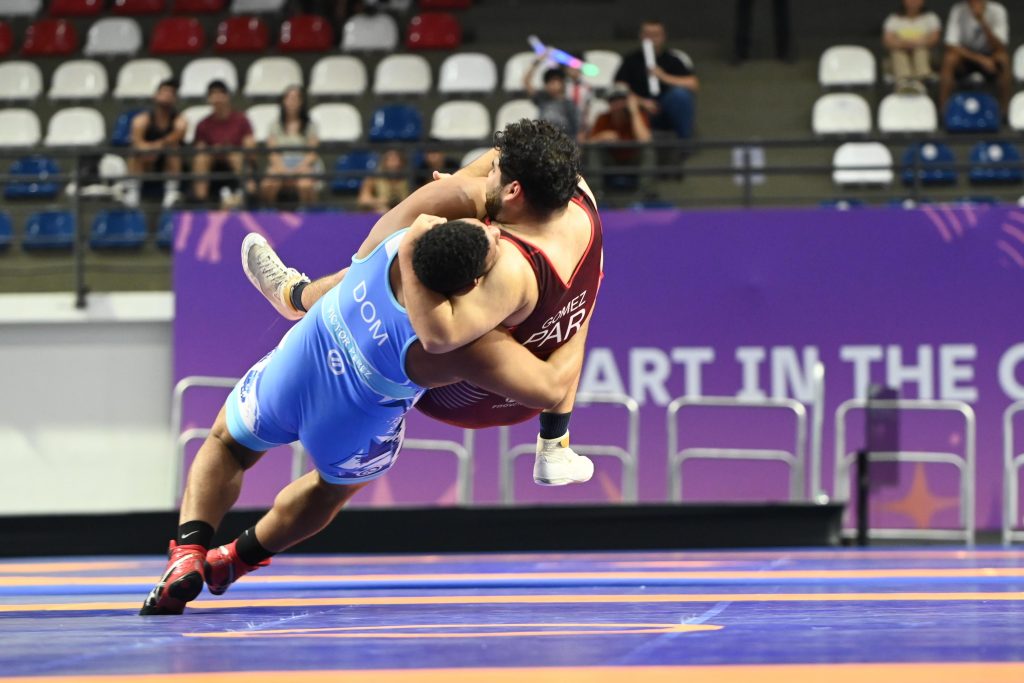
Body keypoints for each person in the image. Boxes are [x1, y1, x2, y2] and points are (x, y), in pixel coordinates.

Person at [140, 212, 590, 616]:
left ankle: (189, 550)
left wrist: (297, 294)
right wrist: (580, 313)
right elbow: (550, 387)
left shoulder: (397, 242)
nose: (495, 232)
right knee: (330, 490)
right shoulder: (460, 346)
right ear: (472, 288)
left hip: (303, 362)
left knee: (227, 444)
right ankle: (234, 560)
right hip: (353, 422)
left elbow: (343, 277)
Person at [245, 119, 603, 478]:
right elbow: (504, 155)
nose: (487, 173)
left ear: (513, 192)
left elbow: (439, 335)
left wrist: (412, 242)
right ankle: (556, 443)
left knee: (391, 266)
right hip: (535, 390)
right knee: (586, 287)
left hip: (468, 397)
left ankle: (296, 296)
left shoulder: (510, 267)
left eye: (494, 172)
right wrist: (583, 315)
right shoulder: (578, 193)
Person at [615, 20, 699, 140]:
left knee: (680, 95)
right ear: (641, 36)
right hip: (639, 108)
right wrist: (641, 101)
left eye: (656, 35)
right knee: (621, 102)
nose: (651, 39)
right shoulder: (630, 60)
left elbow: (693, 84)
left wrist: (663, 76)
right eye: (647, 35)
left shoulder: (673, 59)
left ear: (663, 37)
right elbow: (620, 87)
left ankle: (685, 143)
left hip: (666, 106)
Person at [192, 80, 257, 209]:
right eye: (213, 95)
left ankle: (249, 193)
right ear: (209, 99)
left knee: (236, 156)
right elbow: (200, 148)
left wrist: (232, 149)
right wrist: (214, 150)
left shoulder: (241, 120)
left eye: (220, 94)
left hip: (235, 160)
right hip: (213, 163)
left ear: (227, 97)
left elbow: (250, 145)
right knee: (201, 159)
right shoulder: (203, 124)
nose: (217, 99)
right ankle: (201, 200)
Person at [939, 0, 1011, 115]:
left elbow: (1001, 47)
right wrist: (980, 59)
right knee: (950, 58)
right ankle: (944, 111)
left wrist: (982, 21)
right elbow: (951, 45)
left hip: (990, 57)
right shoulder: (958, 10)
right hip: (966, 57)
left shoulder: (998, 10)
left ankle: (1005, 111)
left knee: (1003, 58)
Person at [125, 79, 186, 209]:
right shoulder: (141, 120)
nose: (167, 95)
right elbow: (137, 143)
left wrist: (156, 148)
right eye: (164, 91)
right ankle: (133, 192)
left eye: (171, 93)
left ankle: (171, 191)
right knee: (134, 152)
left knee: (174, 149)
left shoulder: (180, 121)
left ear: (175, 99)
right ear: (155, 95)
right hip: (145, 159)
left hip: (167, 161)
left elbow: (175, 137)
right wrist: (151, 149)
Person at [260, 85, 323, 207]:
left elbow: (312, 153)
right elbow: (273, 153)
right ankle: (271, 218)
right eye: (288, 98)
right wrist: (284, 171)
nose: (292, 102)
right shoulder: (274, 125)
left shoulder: (311, 126)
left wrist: (296, 171)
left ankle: (306, 218)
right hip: (280, 164)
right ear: (283, 101)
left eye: (295, 98)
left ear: (301, 102)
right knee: (268, 184)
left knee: (305, 185)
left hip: (304, 164)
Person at [586, 87, 654, 192]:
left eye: (622, 100)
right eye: (614, 101)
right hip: (611, 160)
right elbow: (589, 143)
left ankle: (646, 192)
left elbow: (645, 140)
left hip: (633, 160)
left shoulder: (638, 116)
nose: (618, 104)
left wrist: (634, 112)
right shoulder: (603, 118)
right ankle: (595, 191)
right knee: (594, 151)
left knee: (648, 152)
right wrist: (600, 137)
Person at [884, 0, 941, 94]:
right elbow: (887, 40)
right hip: (901, 54)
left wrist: (916, 43)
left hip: (926, 54)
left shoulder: (930, 18)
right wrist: (904, 44)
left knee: (920, 51)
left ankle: (922, 81)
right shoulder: (894, 18)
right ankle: (904, 83)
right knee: (898, 52)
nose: (913, 2)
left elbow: (934, 39)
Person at [524, 60, 580, 141]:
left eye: (555, 82)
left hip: (563, 141)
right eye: (550, 82)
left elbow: (575, 128)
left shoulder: (568, 104)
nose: (552, 85)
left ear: (562, 84)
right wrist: (536, 62)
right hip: (543, 139)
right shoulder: (542, 99)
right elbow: (526, 82)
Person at [357, 149, 410, 213]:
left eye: (398, 160)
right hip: (381, 211)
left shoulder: (410, 179)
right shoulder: (373, 178)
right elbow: (363, 200)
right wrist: (379, 201)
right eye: (392, 160)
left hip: (404, 211)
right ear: (384, 162)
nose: (396, 164)